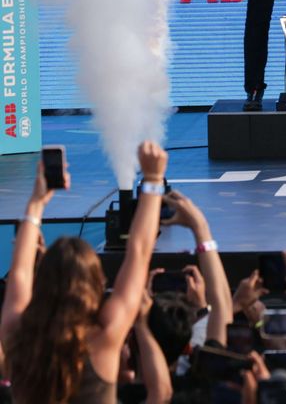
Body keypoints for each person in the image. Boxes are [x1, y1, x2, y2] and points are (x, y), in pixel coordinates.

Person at [1, 141, 168, 403]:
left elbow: (20, 274)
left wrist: (36, 201)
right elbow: (139, 251)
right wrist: (154, 179)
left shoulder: (17, 337)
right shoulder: (104, 336)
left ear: (41, 282)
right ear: (97, 284)